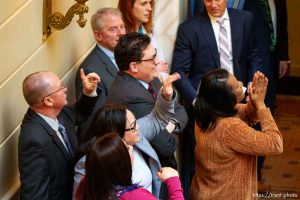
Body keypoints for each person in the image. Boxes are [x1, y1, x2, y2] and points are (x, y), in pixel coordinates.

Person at [170, 0, 261, 197]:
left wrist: (251, 87)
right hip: (206, 109)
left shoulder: (245, 19)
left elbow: (254, 54)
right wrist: (197, 103)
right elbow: (178, 71)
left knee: (240, 159)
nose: (212, 4)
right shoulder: (189, 28)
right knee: (206, 167)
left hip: (240, 100)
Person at [74, 73, 181, 198]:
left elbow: (156, 119)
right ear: (117, 135)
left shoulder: (135, 135)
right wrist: (173, 183)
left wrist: (166, 96)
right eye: (133, 125)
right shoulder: (90, 163)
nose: (139, 127)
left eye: (136, 121)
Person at [190, 68, 283, 200]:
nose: (241, 83)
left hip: (205, 191)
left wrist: (254, 100)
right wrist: (261, 105)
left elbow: (246, 114)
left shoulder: (207, 111)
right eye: (236, 86)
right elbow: (275, 144)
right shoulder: (229, 128)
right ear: (226, 99)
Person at [106, 32, 187, 170]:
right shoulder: (131, 97)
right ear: (134, 66)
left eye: (155, 54)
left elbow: (179, 109)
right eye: (152, 58)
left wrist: (170, 125)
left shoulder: (149, 77)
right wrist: (170, 126)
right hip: (152, 172)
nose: (157, 62)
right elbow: (166, 145)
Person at [18, 69, 100, 200]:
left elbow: (78, 114)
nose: (65, 89)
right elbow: (35, 194)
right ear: (49, 101)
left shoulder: (57, 111)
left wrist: (88, 92)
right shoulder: (34, 140)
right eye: (61, 87)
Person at [243, 0, 290, 186]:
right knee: (252, 114)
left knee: (267, 111)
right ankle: (250, 169)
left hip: (272, 60)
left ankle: (258, 168)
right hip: (253, 63)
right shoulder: (248, 1)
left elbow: (282, 26)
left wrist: (283, 56)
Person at [75, 133, 184, 200]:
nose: (131, 148)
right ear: (120, 163)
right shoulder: (136, 197)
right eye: (126, 148)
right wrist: (173, 181)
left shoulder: (87, 185)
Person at [74, 8, 126, 139]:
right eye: (113, 29)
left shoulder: (125, 56)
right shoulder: (90, 70)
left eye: (122, 27)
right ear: (98, 36)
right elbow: (95, 122)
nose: (121, 33)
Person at [118, 0, 169, 79]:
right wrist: (155, 70)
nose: (149, 8)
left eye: (150, 3)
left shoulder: (150, 32)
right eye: (143, 3)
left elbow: (163, 68)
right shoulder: (120, 37)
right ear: (128, 7)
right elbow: (123, 75)